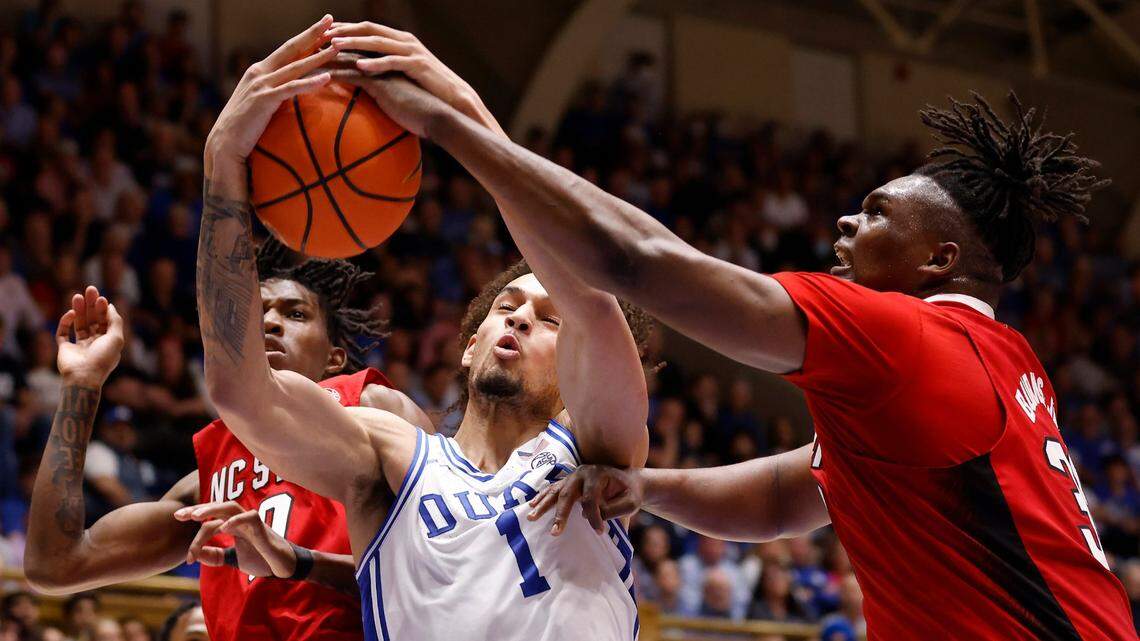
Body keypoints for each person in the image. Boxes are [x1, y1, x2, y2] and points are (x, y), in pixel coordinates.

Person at [354, 51, 1136, 636]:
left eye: (874, 213)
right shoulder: (1004, 360)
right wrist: (647, 487)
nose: (845, 224)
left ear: (938, 260)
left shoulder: (905, 337)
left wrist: (452, 124)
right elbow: (782, 495)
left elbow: (638, 263)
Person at [191, 15, 649, 640]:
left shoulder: (596, 450)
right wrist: (223, 163)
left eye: (550, 320)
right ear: (468, 346)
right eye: (506, 305)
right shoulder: (388, 454)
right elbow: (240, 391)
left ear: (579, 371)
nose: (519, 315)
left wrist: (461, 112)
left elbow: (589, 295)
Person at [25, 276, 428, 641]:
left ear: (334, 359)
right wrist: (82, 385)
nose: (268, 323)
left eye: (296, 313)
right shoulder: (208, 476)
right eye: (257, 313)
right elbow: (56, 565)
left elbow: (449, 562)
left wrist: (298, 561)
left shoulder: (373, 406)